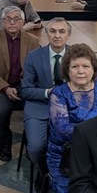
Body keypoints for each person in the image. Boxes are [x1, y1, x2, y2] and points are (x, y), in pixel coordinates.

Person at [47, 44, 97, 193]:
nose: (81, 71)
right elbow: (64, 131)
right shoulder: (58, 94)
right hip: (66, 158)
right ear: (67, 70)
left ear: (94, 69)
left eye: (86, 66)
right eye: (75, 66)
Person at [0, 6, 41, 161]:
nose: (12, 22)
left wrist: (26, 86)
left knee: (37, 105)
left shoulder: (33, 41)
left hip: (23, 84)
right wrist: (6, 88)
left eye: (16, 19)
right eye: (8, 19)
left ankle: (31, 141)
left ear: (23, 22)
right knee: (2, 110)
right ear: (3, 22)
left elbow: (35, 71)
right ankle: (5, 141)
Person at [20, 18, 72, 171]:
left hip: (69, 108)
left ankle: (60, 173)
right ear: (46, 34)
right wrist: (48, 93)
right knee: (36, 148)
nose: (57, 35)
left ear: (68, 35)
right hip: (39, 107)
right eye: (52, 31)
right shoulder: (33, 56)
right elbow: (25, 90)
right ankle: (43, 173)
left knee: (76, 145)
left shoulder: (77, 54)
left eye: (62, 31)